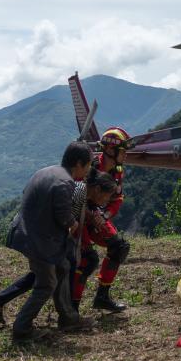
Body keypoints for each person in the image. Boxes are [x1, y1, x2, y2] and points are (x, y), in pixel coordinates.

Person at [0, 168, 117, 330]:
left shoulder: (83, 193)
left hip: (47, 238)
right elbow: (66, 218)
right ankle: (56, 319)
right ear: (97, 189)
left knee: (46, 274)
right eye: (108, 196)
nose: (107, 200)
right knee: (55, 274)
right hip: (48, 239)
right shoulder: (80, 191)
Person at [0, 141, 93, 343]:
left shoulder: (46, 171)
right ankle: (22, 329)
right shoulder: (66, 182)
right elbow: (63, 214)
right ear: (79, 163)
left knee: (62, 266)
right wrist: (73, 223)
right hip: (37, 241)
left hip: (24, 233)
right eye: (88, 165)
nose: (87, 171)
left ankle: (69, 318)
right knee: (46, 284)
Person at [72, 127, 133, 313]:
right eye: (123, 151)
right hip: (79, 217)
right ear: (110, 150)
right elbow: (77, 199)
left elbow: (117, 198)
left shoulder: (117, 171)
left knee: (119, 247)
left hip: (99, 217)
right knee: (87, 258)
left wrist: (105, 216)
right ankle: (72, 306)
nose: (125, 155)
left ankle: (102, 297)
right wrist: (93, 215)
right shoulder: (89, 168)